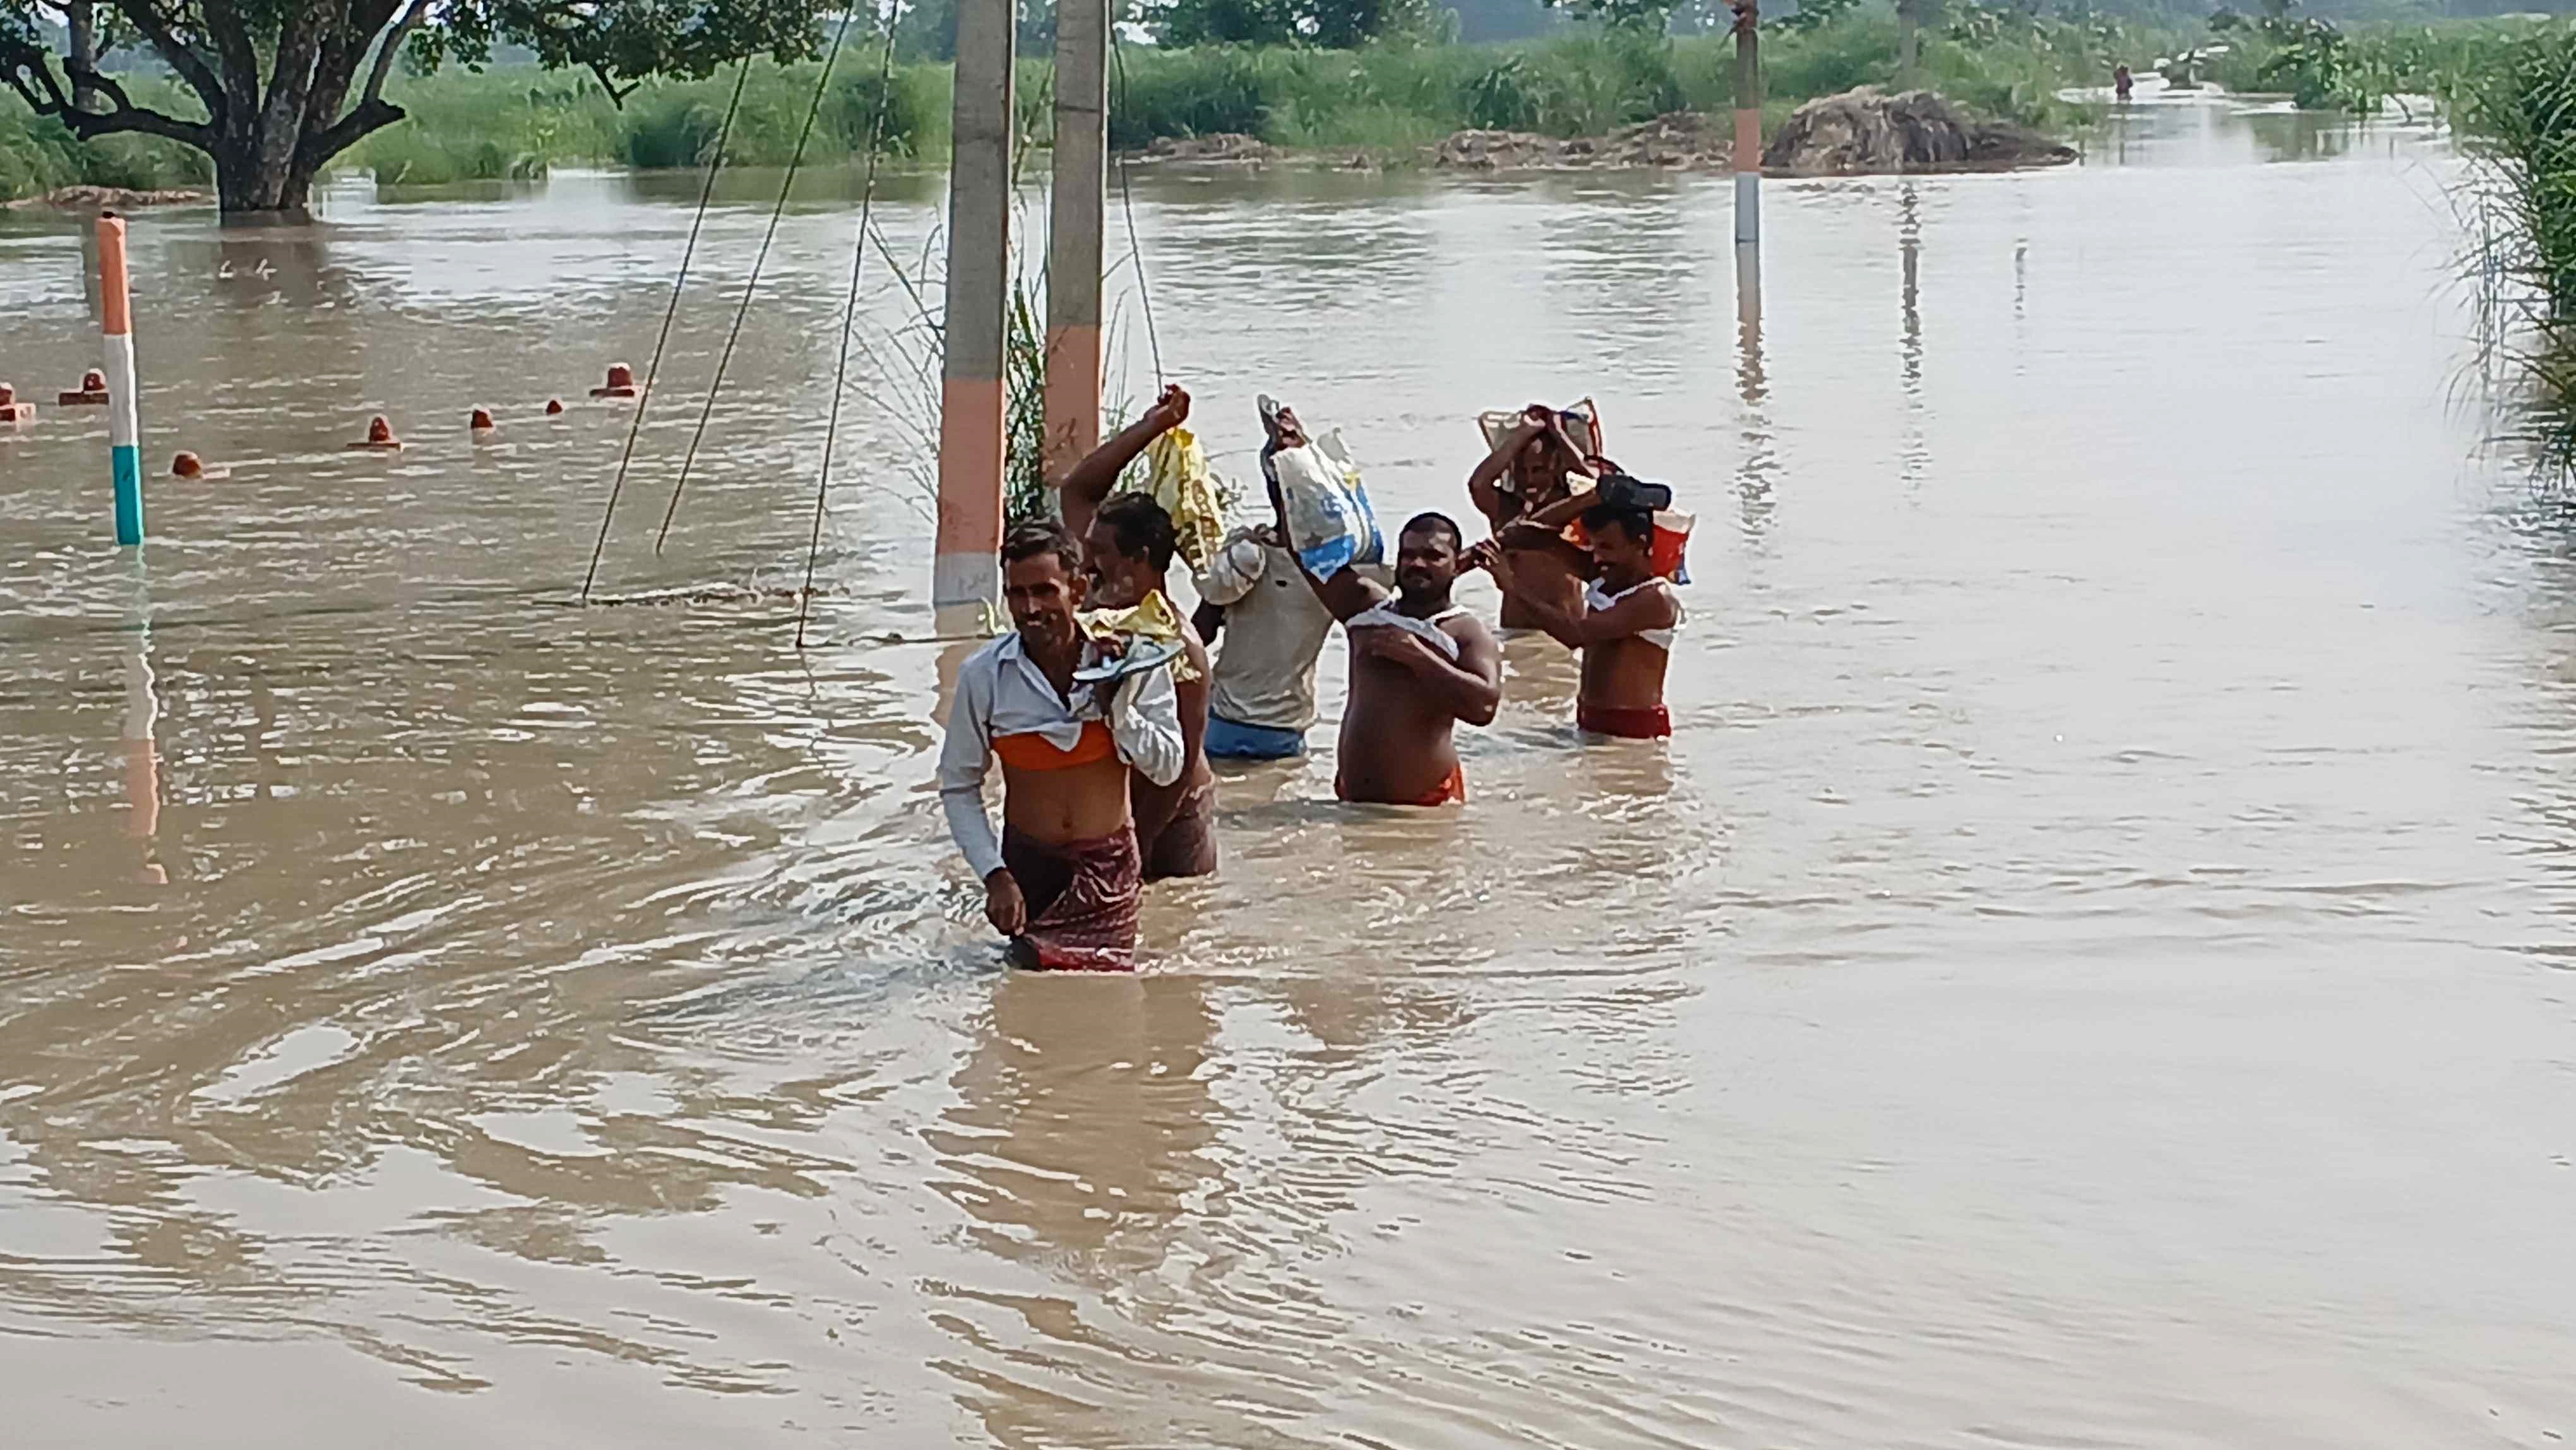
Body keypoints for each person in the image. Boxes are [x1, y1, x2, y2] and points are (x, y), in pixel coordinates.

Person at [941, 521, 1186, 970]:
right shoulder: (985, 676)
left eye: (1045, 591)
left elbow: (1169, 766)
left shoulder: (1131, 663)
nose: (1031, 609)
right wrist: (995, 875)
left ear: (1077, 587)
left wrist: (1119, 712)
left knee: (1112, 1015)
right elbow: (959, 786)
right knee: (1027, 1015)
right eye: (1017, 595)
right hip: (1031, 875)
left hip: (1109, 875)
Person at [1046, 383, 1215, 880]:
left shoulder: (1177, 644)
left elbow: (1176, 773)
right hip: (1111, 796)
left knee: (1174, 929)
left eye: (1100, 552)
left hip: (1172, 811)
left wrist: (1130, 861)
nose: (1085, 561)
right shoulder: (1099, 594)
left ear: (1141, 558)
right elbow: (1077, 490)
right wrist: (1153, 426)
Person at [1282, 500, 1501, 805]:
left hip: (1427, 809)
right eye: (1408, 555)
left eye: (1433, 556)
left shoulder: (1465, 632)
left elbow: (1485, 708)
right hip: (1352, 802)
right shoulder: (1365, 611)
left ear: (1457, 565)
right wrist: (1280, 468)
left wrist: (1417, 656)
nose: (1418, 564)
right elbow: (1304, 548)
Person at [1474, 500, 1682, 740]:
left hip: (1634, 730)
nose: (1597, 557)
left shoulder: (1654, 598)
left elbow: (1576, 634)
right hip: (1589, 718)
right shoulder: (1605, 576)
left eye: (1607, 547)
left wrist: (1512, 588)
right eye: (1592, 547)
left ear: (1639, 544)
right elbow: (1536, 534)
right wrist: (1591, 497)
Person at [1194, 518, 1337, 761]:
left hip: (1225, 720)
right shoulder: (1332, 568)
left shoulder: (1244, 558)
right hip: (1287, 727)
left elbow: (1201, 633)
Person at [1467, 404, 1598, 631]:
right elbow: (1478, 484)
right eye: (1521, 471)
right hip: (1516, 632)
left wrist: (1559, 434)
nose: (1529, 480)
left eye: (1538, 470)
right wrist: (1523, 433)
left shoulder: (1573, 508)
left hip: (1567, 631)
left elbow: (1597, 486)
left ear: (1556, 469)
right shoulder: (1506, 511)